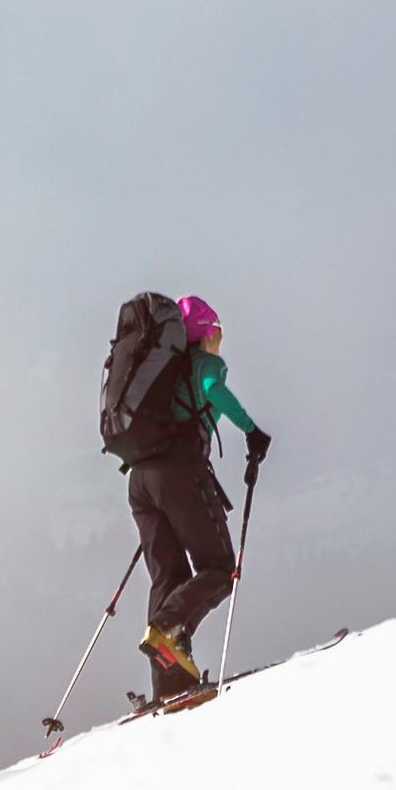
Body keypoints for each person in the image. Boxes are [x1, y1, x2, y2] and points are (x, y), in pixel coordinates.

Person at [125, 294, 270, 701]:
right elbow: (212, 389)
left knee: (167, 577)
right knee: (220, 568)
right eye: (218, 332)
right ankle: (169, 627)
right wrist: (251, 430)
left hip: (140, 481)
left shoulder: (163, 372)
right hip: (179, 475)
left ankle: (169, 683)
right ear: (207, 334)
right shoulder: (204, 363)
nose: (220, 342)